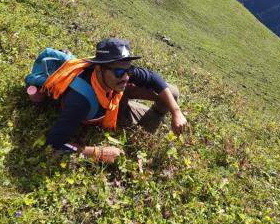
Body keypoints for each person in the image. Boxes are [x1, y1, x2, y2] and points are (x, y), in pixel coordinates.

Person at [44, 38, 187, 163]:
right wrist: (98, 152)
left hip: (113, 100)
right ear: (99, 69)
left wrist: (176, 111)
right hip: (103, 111)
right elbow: (54, 144)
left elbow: (153, 77)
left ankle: (150, 118)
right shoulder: (80, 101)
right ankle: (139, 122)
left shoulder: (118, 70)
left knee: (171, 93)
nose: (125, 77)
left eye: (129, 70)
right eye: (119, 72)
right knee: (158, 104)